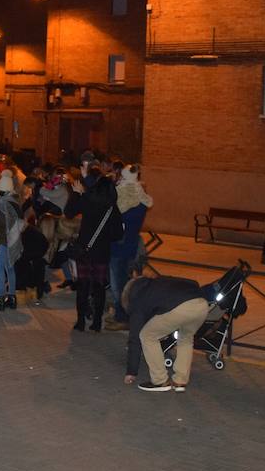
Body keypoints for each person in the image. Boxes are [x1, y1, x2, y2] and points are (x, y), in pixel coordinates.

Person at [123, 274, 211, 392]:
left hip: (181, 307)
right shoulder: (158, 282)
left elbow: (135, 339)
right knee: (186, 339)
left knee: (147, 335)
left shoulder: (137, 299)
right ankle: (180, 381)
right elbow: (193, 282)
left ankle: (160, 380)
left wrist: (131, 372)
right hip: (201, 304)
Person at [66, 167, 119, 331]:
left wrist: (76, 193)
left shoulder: (87, 200)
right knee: (99, 287)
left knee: (82, 286)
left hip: (84, 251)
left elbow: (68, 212)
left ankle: (80, 321)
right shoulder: (112, 209)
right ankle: (96, 323)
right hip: (101, 253)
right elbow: (117, 234)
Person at [105, 166, 153, 330]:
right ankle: (123, 315)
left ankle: (122, 317)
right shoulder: (140, 203)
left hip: (119, 249)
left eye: (123, 179)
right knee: (123, 283)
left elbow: (116, 219)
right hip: (128, 247)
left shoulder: (126, 204)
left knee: (118, 284)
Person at [0, 171, 23, 311]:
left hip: (6, 239)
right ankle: (12, 298)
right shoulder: (14, 200)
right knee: (10, 268)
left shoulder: (3, 203)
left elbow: (2, 223)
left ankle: (0, 297)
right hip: (14, 238)